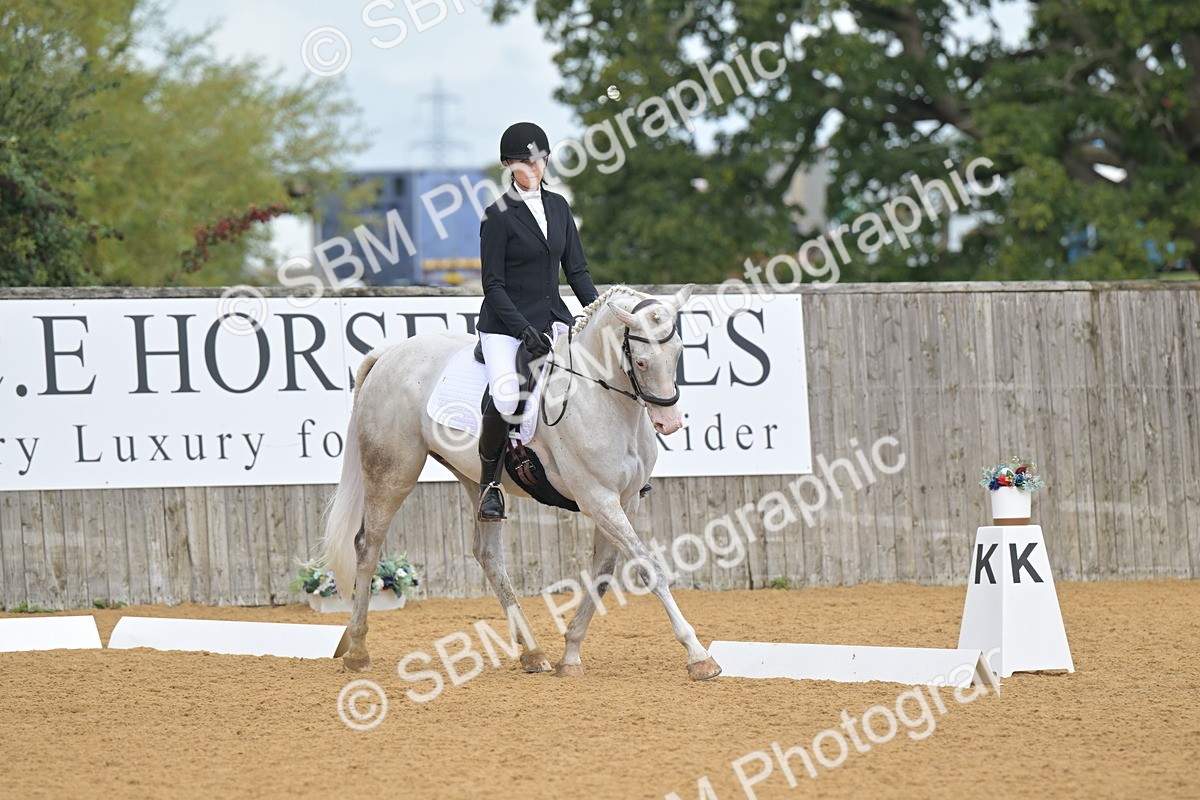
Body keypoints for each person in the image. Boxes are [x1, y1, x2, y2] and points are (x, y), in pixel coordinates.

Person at [475, 121, 600, 520]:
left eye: (538, 160)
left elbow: (576, 271)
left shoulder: (560, 207)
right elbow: (492, 285)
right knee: (509, 396)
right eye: (522, 162)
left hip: (553, 321)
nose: (533, 168)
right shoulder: (497, 215)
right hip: (505, 326)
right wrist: (522, 329)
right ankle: (490, 484)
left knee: (593, 380)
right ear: (509, 166)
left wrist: (601, 314)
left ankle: (610, 469)